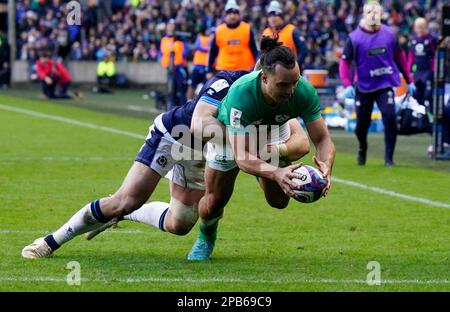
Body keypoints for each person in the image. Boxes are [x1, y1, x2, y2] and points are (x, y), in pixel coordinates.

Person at [21, 70, 249, 259]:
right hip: (175, 134)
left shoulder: (278, 100)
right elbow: (201, 122)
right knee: (125, 200)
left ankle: (128, 214)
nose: (284, 91)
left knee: (179, 224)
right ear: (263, 74)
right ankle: (50, 241)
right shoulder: (228, 82)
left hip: (206, 148)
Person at [186, 36, 335, 261]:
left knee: (279, 202)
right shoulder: (241, 94)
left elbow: (322, 139)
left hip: (272, 128)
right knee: (214, 201)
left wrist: (326, 166)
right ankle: (206, 237)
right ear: (264, 78)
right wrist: (275, 172)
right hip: (231, 134)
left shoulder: (303, 90)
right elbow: (243, 157)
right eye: (283, 85)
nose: (291, 90)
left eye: (294, 82)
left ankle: (264, 170)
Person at [339, 0, 415, 167]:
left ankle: (389, 159)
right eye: (369, 12)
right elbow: (344, 62)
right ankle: (362, 147)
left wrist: (409, 80)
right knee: (361, 125)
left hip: (385, 83)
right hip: (364, 86)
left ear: (381, 14)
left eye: (376, 12)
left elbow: (400, 58)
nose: (372, 15)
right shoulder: (354, 38)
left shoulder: (390, 34)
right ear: (363, 15)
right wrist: (347, 84)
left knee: (390, 117)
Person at [207, 0, 258, 78]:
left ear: (239, 15)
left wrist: (256, 67)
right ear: (225, 15)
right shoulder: (219, 30)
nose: (232, 16)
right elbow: (213, 51)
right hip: (223, 70)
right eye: (229, 13)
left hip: (244, 71)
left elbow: (254, 49)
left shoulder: (247, 29)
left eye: (235, 13)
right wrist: (209, 70)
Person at [261, 1, 308, 70]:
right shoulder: (266, 32)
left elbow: (303, 50)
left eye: (276, 15)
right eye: (270, 16)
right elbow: (262, 54)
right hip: (271, 72)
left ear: (281, 17)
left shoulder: (292, 30)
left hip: (289, 71)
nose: (273, 18)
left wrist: (296, 65)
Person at [408, 17, 437, 110]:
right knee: (416, 95)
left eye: (421, 26)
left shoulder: (431, 39)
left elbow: (435, 56)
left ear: (426, 27)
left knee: (428, 95)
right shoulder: (413, 39)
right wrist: (409, 71)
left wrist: (433, 71)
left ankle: (431, 117)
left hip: (428, 72)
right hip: (418, 72)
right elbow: (411, 57)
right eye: (417, 27)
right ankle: (420, 118)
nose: (419, 29)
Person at [160, 19, 189, 109]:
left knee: (181, 89)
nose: (170, 27)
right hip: (169, 69)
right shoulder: (164, 39)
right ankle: (171, 108)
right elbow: (163, 53)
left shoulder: (180, 39)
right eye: (169, 25)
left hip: (179, 68)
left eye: (172, 25)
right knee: (170, 90)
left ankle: (183, 109)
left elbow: (186, 51)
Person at [187, 25, 211, 100]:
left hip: (203, 66)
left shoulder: (208, 39)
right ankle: (189, 101)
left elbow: (196, 47)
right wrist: (206, 49)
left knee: (197, 85)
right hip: (199, 66)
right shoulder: (203, 39)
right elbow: (196, 47)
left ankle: (193, 100)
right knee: (193, 85)